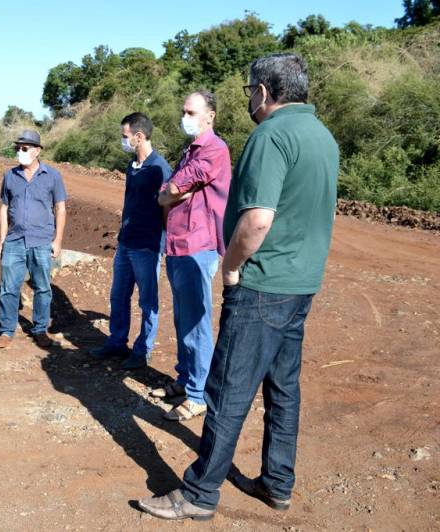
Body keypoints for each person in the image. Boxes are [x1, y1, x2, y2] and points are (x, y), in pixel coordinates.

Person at [137, 52, 339, 521]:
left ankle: (199, 493)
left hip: (263, 285)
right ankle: (277, 482)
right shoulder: (322, 137)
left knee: (227, 389)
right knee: (283, 389)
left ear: (265, 92)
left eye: (251, 91)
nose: (250, 99)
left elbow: (257, 220)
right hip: (301, 284)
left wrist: (231, 267)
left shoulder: (271, 135)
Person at [154, 91, 231, 422]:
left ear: (209, 115)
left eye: (191, 111)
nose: (184, 116)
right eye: (183, 110)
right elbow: (170, 191)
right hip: (178, 244)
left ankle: (198, 395)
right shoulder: (191, 151)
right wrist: (169, 193)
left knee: (197, 323)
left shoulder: (214, 149)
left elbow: (171, 189)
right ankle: (185, 380)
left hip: (198, 246)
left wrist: (169, 193)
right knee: (183, 318)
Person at [90, 112, 172, 370]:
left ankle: (143, 350)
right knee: (118, 295)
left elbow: (168, 209)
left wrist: (163, 243)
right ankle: (116, 341)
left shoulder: (160, 168)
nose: (122, 140)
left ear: (139, 136)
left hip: (147, 246)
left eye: (125, 136)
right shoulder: (132, 166)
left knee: (147, 301)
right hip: (126, 243)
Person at [0, 129, 67, 349]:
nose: (20, 152)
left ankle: (40, 329)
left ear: (37, 151)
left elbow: (60, 208)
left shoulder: (52, 175)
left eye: (25, 148)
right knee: (9, 287)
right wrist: (2, 240)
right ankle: (6, 331)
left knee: (43, 288)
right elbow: (4, 208)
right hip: (14, 241)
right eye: (17, 148)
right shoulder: (10, 176)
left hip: (42, 240)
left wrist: (58, 241)